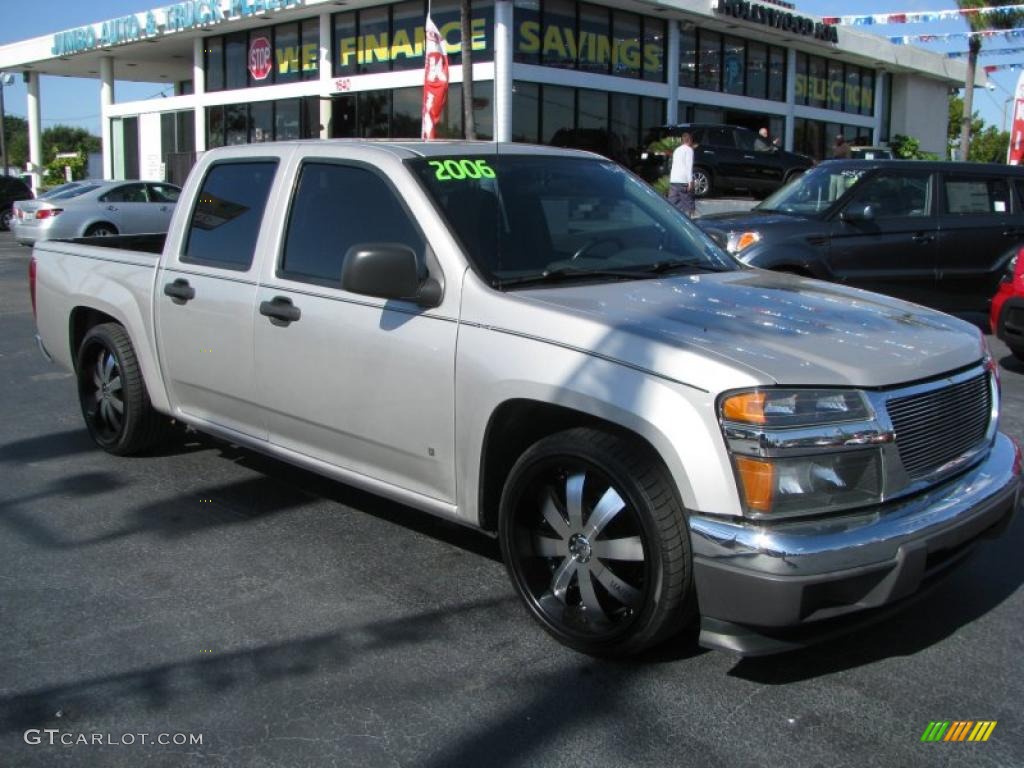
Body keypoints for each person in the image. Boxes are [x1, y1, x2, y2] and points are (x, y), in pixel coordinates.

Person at [668, 133, 696, 217]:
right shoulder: (689, 150)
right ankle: (691, 220)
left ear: (682, 141)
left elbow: (673, 164)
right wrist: (690, 181)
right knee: (687, 201)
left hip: (674, 179)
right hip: (683, 179)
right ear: (690, 140)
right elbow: (688, 166)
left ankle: (671, 217)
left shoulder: (676, 150)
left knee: (673, 201)